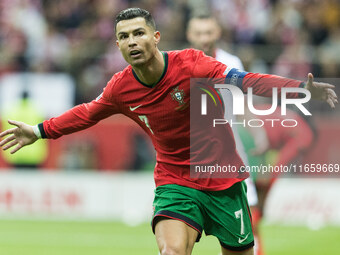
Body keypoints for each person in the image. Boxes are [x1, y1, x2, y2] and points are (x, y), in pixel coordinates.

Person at [0, 8, 337, 255]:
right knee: (172, 252)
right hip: (175, 182)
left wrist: (297, 89)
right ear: (117, 45)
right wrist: (39, 130)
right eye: (124, 36)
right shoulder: (120, 88)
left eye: (139, 33)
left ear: (156, 37)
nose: (132, 41)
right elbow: (87, 113)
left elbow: (247, 81)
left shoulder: (192, 65)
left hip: (223, 181)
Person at [186, 14, 262, 255]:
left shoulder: (231, 62)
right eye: (199, 33)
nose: (204, 38)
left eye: (208, 32)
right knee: (183, 223)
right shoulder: (178, 64)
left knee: (249, 216)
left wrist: (257, 132)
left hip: (230, 150)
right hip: (189, 154)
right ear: (189, 35)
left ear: (217, 33)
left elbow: (241, 104)